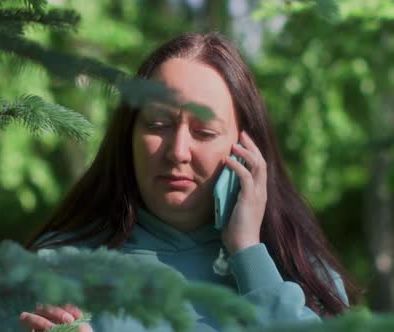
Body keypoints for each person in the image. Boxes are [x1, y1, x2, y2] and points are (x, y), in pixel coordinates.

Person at [18, 32, 361, 332]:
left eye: (204, 132)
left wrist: (248, 254)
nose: (178, 152)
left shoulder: (305, 274)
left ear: (247, 151)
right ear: (129, 137)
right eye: (157, 125)